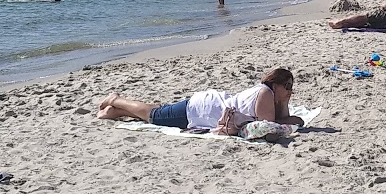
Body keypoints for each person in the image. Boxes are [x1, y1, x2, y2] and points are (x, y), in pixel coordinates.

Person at [96, 68, 302, 135]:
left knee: (158, 113)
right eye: (287, 86)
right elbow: (272, 126)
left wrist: (284, 102)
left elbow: (287, 121)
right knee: (155, 115)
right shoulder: (265, 93)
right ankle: (117, 99)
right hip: (202, 109)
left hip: (207, 107)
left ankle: (117, 111)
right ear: (275, 85)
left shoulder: (269, 95)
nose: (290, 91)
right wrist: (286, 109)